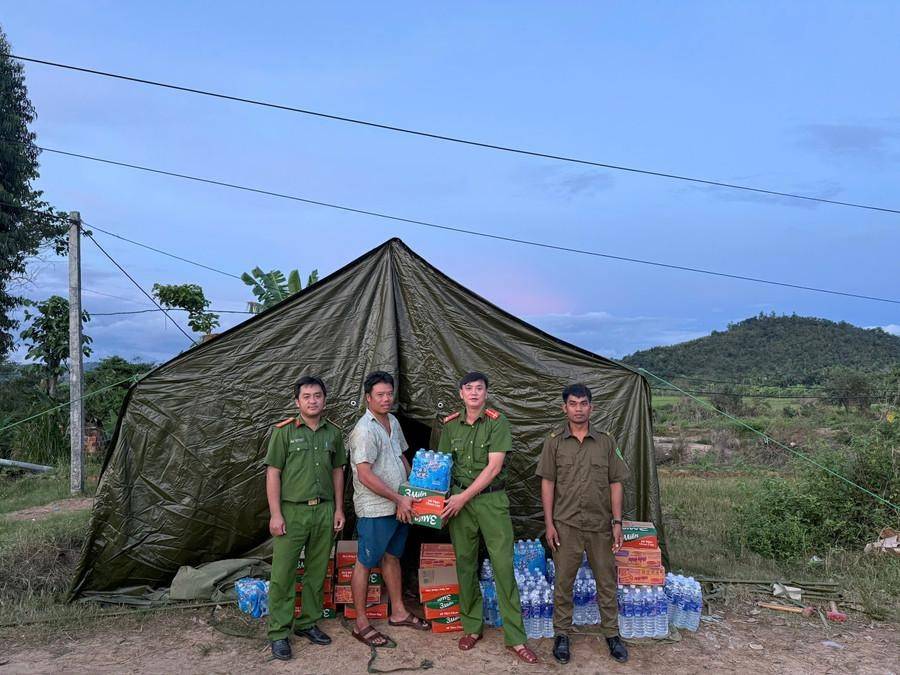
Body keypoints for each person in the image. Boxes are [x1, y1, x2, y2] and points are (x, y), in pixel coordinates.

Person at [439, 371, 539, 665]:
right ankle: (472, 627)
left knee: (503, 567)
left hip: (490, 501)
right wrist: (439, 505)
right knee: (465, 565)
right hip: (458, 504)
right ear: (460, 393)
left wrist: (462, 498)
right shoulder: (449, 425)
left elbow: (494, 468)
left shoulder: (498, 422)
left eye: (479, 388)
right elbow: (443, 467)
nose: (473, 393)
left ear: (486, 393)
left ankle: (516, 638)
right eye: (468, 388)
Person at [536, 383, 630, 664]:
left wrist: (617, 522)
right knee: (564, 583)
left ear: (592, 407)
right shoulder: (553, 442)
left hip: (601, 525)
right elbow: (547, 483)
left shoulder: (606, 441)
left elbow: (616, 483)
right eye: (573, 404)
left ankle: (612, 634)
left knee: (606, 581)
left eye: (583, 403)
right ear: (564, 408)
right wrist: (549, 523)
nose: (578, 409)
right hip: (566, 526)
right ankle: (562, 635)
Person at [265, 376, 347, 661]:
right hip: (292, 511)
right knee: (283, 574)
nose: (312, 400)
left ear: (325, 399)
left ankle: (307, 623)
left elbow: (338, 471)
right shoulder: (284, 432)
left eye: (317, 395)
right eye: (307, 396)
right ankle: (278, 632)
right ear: (297, 401)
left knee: (316, 571)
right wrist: (276, 514)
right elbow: (273, 472)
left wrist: (338, 508)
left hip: (323, 510)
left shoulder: (333, 433)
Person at [347, 371, 430, 646]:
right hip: (377, 508)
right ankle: (361, 623)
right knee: (365, 562)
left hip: (400, 504)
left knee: (392, 557)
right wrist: (398, 498)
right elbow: (365, 475)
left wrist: (416, 488)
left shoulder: (392, 421)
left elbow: (401, 457)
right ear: (368, 398)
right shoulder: (364, 430)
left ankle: (398, 612)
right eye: (379, 395)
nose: (386, 399)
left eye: (389, 394)